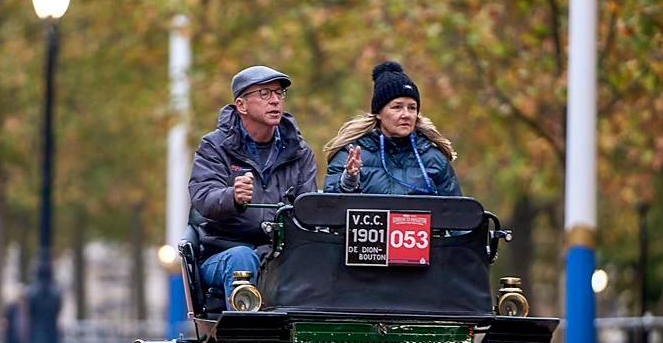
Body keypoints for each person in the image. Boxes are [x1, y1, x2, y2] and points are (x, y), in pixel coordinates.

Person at [188, 65, 318, 305]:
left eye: (279, 93)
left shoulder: (300, 152)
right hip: (224, 253)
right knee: (242, 259)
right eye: (265, 94)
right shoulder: (214, 147)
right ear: (242, 105)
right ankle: (245, 338)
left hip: (278, 253)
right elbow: (203, 197)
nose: (275, 101)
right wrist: (232, 197)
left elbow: (307, 210)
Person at [324, 60, 461, 195]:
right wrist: (348, 181)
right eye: (397, 107)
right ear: (378, 113)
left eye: (412, 108)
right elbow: (328, 208)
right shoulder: (351, 154)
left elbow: (455, 212)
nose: (406, 114)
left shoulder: (434, 158)